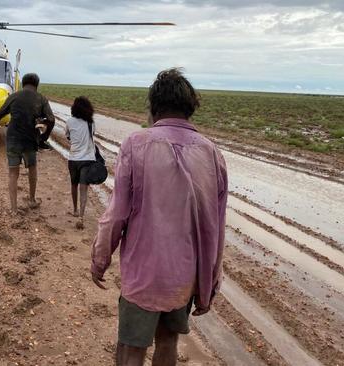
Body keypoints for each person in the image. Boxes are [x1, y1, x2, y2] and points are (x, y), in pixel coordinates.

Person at [90, 68, 228, 366]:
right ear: (190, 108)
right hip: (184, 278)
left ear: (154, 107)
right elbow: (215, 230)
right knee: (168, 341)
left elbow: (115, 215)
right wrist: (209, 283)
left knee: (130, 347)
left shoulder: (135, 145)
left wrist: (100, 259)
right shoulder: (212, 154)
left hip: (144, 276)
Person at [0, 73, 55, 214]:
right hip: (30, 140)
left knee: (13, 173)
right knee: (32, 168)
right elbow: (51, 119)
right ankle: (32, 200)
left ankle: (13, 209)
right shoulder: (41, 99)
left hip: (13, 138)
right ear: (37, 85)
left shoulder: (14, 96)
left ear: (23, 83)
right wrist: (44, 137)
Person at [65, 96, 96, 230]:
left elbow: (68, 137)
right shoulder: (91, 123)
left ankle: (75, 209)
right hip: (88, 159)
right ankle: (81, 217)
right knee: (84, 188)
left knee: (74, 184)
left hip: (73, 159)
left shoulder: (70, 121)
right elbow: (92, 136)